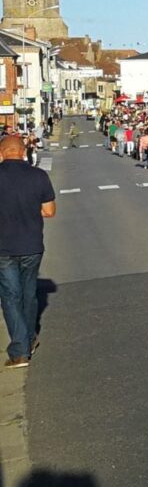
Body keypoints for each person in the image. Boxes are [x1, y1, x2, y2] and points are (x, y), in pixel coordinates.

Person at [0, 135, 55, 369]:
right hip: (32, 244)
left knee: (10, 297)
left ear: (2, 153)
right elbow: (50, 211)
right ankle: (30, 337)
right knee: (29, 293)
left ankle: (20, 350)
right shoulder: (39, 176)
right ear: (23, 152)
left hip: (3, 247)